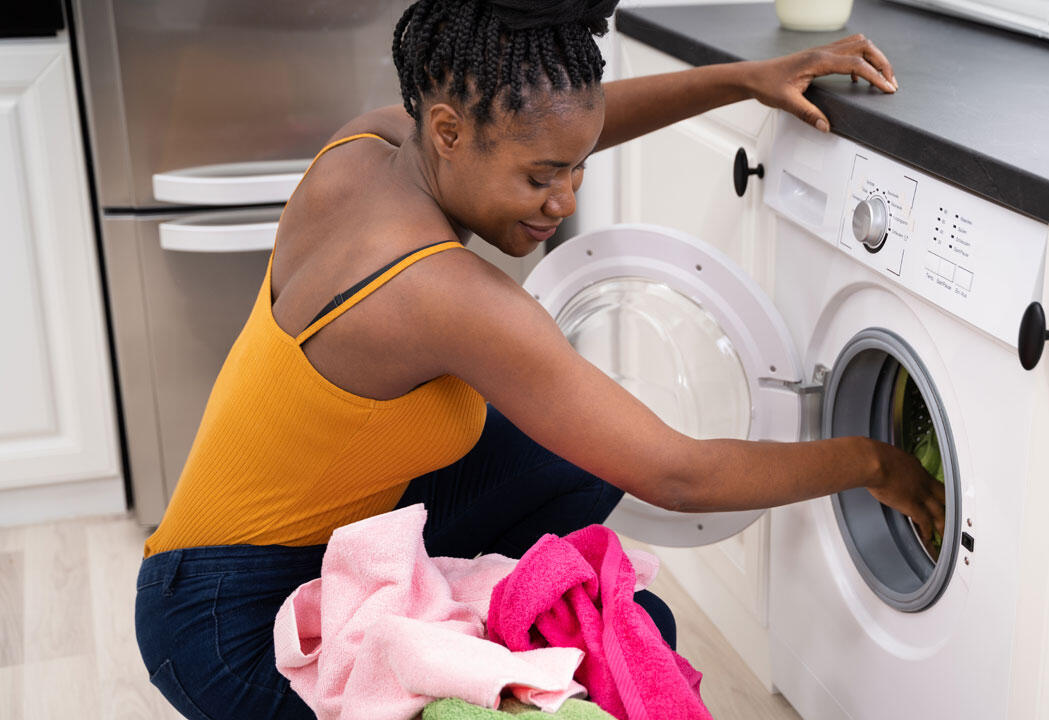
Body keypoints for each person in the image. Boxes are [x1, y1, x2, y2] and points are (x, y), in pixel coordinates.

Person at [134, 1, 939, 718]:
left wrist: (743, 80)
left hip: (232, 554)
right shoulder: (443, 293)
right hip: (229, 628)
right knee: (597, 654)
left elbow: (549, 120)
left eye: (576, 167)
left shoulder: (374, 141)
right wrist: (875, 462)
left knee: (571, 458)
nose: (565, 199)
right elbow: (680, 476)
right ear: (449, 132)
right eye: (542, 177)